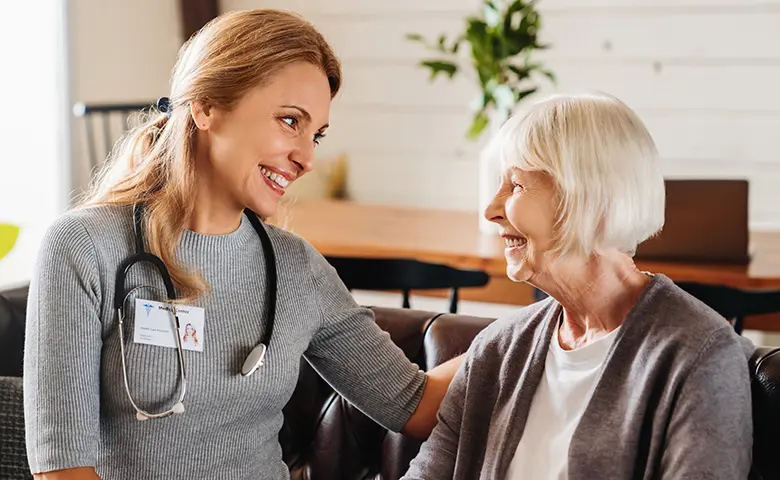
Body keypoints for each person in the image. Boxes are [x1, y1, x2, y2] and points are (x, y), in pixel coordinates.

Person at [23, 9, 460, 480]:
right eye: (290, 121)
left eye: (316, 135)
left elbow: (413, 405)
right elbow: (62, 466)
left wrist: (542, 322)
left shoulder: (296, 268)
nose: (307, 157)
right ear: (207, 105)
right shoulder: (83, 248)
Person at [402, 92, 755, 479]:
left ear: (586, 198)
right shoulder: (499, 349)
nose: (492, 209)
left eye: (516, 185)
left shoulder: (699, 355)